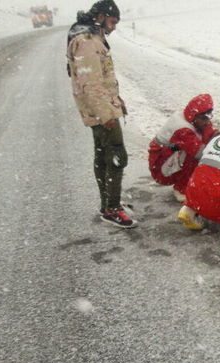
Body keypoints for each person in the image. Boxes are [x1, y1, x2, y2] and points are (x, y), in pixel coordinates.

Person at [66, 0, 136, 228]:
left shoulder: (90, 37)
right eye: (113, 21)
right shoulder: (86, 42)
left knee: (104, 156)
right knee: (117, 157)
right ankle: (112, 209)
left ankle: (108, 203)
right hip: (101, 112)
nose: (114, 27)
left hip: (100, 109)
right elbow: (90, 84)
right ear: (101, 16)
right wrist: (107, 114)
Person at [148, 94, 219, 202]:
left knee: (196, 151)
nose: (207, 122)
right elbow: (200, 152)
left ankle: (186, 183)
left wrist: (216, 137)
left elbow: (208, 131)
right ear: (194, 115)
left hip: (170, 152)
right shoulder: (183, 129)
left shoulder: (192, 117)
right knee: (194, 157)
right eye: (204, 119)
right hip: (159, 164)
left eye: (208, 118)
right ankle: (181, 189)